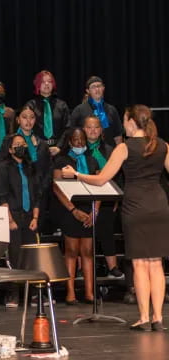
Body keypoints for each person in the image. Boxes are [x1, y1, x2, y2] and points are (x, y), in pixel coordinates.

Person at [62, 105, 169, 331]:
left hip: (136, 207)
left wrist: (76, 174)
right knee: (156, 262)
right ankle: (158, 317)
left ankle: (144, 317)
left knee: (140, 263)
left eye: (124, 120)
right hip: (159, 206)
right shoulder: (163, 145)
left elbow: (102, 179)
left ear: (131, 122)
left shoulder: (124, 147)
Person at [53, 127, 100, 305]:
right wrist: (73, 210)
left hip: (89, 210)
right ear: (70, 141)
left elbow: (99, 185)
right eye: (75, 139)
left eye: (82, 140)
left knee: (87, 252)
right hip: (69, 210)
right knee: (71, 251)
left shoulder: (92, 160)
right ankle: (70, 293)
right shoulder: (62, 160)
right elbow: (57, 188)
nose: (79, 143)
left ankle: (89, 293)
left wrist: (94, 212)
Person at [0, 134, 40, 307]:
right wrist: (10, 220)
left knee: (32, 255)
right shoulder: (2, 168)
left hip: (29, 217)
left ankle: (34, 293)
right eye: (17, 145)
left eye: (23, 144)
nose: (21, 147)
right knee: (14, 255)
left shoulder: (30, 167)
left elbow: (36, 195)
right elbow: (1, 195)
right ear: (10, 149)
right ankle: (13, 294)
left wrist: (35, 217)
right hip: (13, 216)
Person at [82, 115, 124, 278]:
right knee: (82, 229)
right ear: (84, 129)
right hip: (84, 197)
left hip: (106, 197)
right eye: (89, 127)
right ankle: (82, 267)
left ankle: (112, 267)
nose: (93, 130)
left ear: (101, 130)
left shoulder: (110, 150)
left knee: (106, 228)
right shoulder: (78, 148)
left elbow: (118, 176)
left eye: (96, 127)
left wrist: (114, 198)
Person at [13, 105, 51, 232]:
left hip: (39, 192)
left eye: (32, 117)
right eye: (24, 117)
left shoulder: (42, 144)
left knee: (36, 230)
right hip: (18, 193)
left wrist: (42, 187)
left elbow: (48, 169)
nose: (28, 121)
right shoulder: (10, 142)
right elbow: (5, 167)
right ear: (18, 120)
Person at [25, 70, 70, 156]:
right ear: (37, 84)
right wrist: (40, 145)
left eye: (49, 81)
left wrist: (59, 147)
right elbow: (26, 128)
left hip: (58, 150)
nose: (46, 84)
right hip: (37, 149)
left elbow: (67, 129)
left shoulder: (62, 105)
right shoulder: (31, 105)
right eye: (43, 81)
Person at [70, 76, 123, 147]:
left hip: (109, 151)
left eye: (99, 86)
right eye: (93, 87)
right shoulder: (79, 110)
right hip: (86, 152)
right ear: (88, 91)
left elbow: (118, 135)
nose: (97, 89)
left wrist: (118, 151)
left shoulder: (112, 109)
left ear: (103, 88)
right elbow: (72, 133)